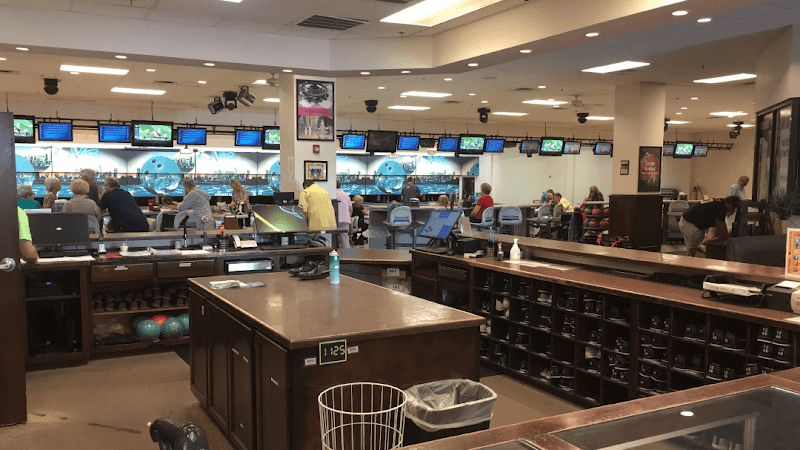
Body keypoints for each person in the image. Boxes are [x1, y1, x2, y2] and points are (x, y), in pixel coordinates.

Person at [335, 178, 353, 248]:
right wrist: (349, 216)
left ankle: (334, 253)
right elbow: (350, 208)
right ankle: (347, 255)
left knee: (333, 237)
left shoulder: (331, 194)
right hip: (345, 218)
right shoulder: (346, 194)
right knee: (344, 237)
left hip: (335, 218)